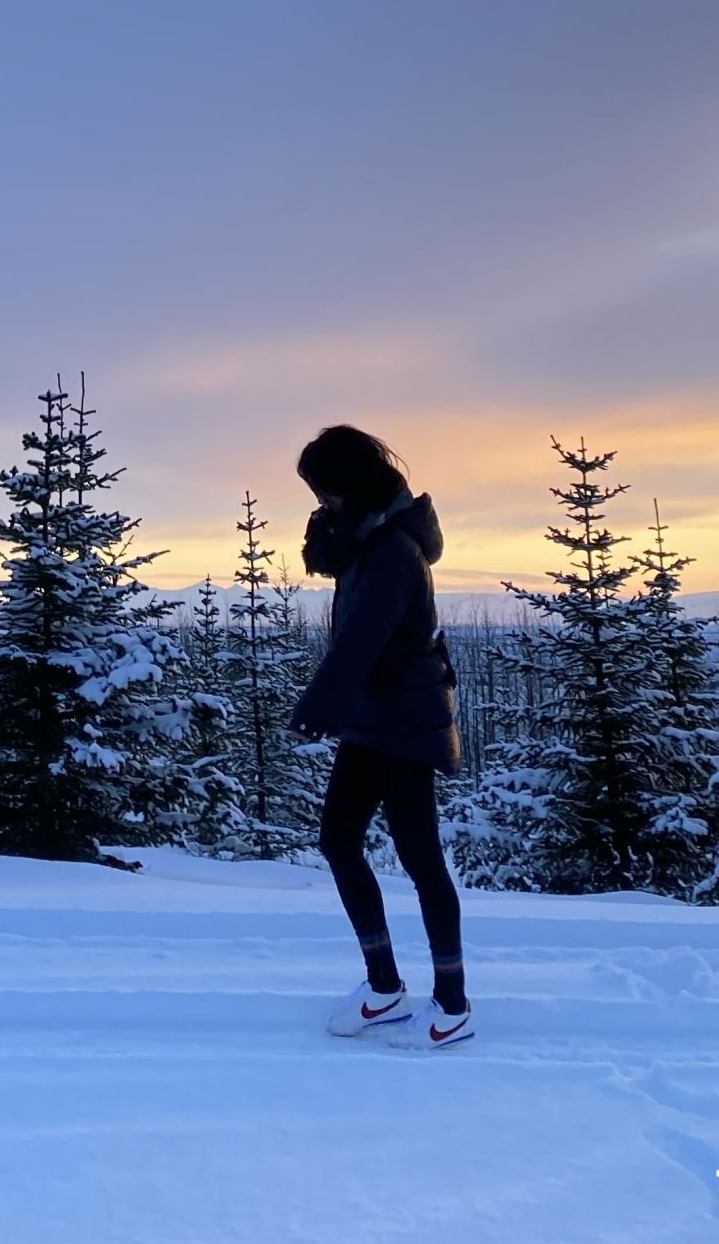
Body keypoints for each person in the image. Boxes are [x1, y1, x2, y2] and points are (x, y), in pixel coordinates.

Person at [290, 424, 472, 1050]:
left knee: (422, 861)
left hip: (404, 721)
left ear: (351, 485)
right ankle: (384, 987)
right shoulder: (368, 538)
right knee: (338, 840)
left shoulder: (394, 551)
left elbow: (364, 639)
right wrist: (331, 530)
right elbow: (332, 572)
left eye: (324, 491)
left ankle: (451, 1004)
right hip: (372, 716)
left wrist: (318, 705)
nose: (320, 502)